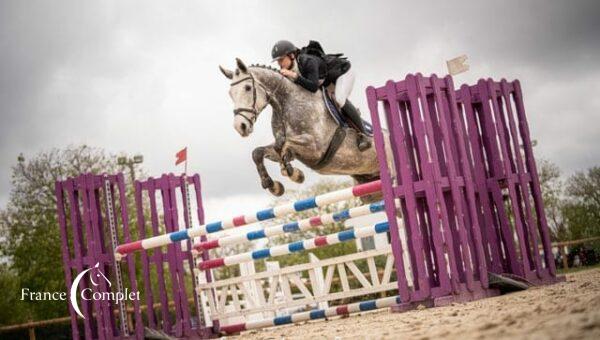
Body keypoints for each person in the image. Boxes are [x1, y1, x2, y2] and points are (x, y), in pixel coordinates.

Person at [271, 40, 371, 151]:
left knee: (339, 100)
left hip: (343, 73)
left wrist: (294, 76)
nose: (280, 64)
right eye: (278, 61)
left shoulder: (308, 61)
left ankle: (364, 135)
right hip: (327, 82)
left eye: (281, 60)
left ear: (291, 55)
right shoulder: (292, 68)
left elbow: (313, 87)